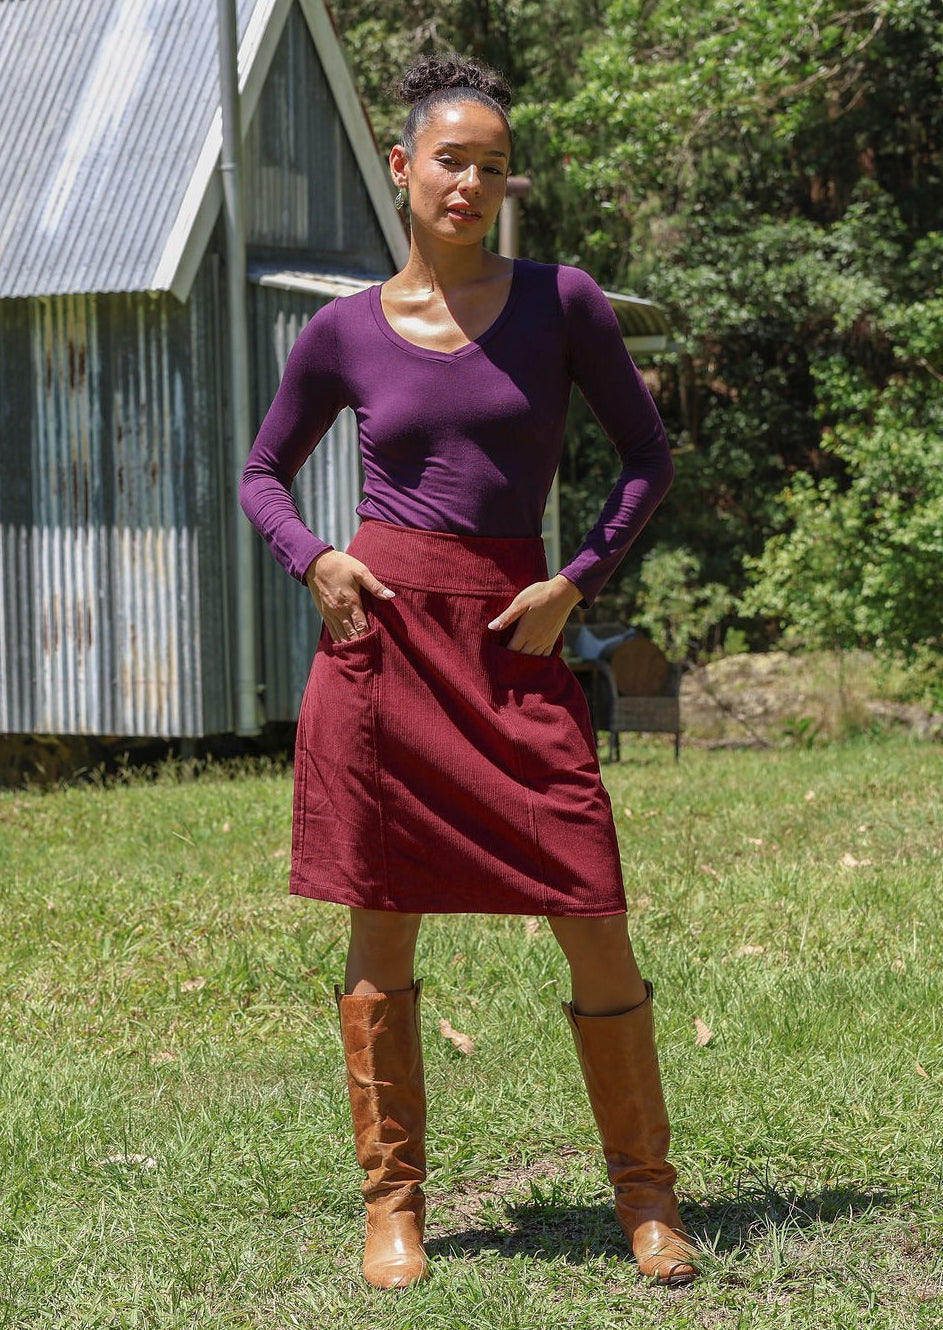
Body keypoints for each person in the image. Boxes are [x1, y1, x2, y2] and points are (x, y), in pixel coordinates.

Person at [240, 52, 697, 1291]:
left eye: (492, 166)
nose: (472, 182)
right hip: (383, 650)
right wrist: (315, 560)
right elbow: (260, 472)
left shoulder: (565, 301)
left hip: (513, 642)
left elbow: (646, 459)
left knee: (591, 913)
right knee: (381, 927)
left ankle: (646, 1200)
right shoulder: (341, 329)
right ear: (402, 168)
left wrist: (575, 583)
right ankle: (394, 1208)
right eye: (452, 159)